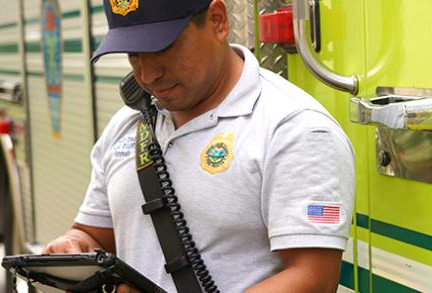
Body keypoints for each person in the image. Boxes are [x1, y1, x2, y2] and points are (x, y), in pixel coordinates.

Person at [42, 0, 355, 292]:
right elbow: (94, 234)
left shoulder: (295, 128)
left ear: (218, 21)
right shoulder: (127, 123)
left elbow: (314, 278)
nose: (148, 74)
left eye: (162, 47)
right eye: (133, 54)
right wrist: (74, 244)